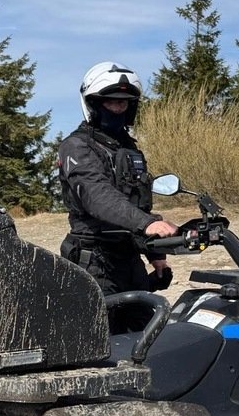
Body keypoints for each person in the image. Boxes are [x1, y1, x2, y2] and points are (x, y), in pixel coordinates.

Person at [57, 61, 178, 310]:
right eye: (111, 102)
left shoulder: (129, 150)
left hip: (128, 258)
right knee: (103, 339)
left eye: (123, 102)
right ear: (94, 104)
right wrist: (148, 224)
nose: (118, 108)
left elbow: (138, 203)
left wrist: (155, 255)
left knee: (146, 333)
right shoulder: (77, 146)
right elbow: (97, 196)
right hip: (94, 262)